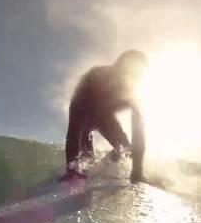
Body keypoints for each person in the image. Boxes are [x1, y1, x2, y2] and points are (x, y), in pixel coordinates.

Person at [59, 50, 148, 183]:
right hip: (84, 113)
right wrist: (72, 169)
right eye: (129, 70)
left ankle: (107, 164)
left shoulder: (131, 92)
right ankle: (81, 170)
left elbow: (138, 129)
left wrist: (137, 171)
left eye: (137, 74)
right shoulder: (95, 76)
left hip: (105, 117)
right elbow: (74, 126)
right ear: (118, 65)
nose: (132, 77)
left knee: (126, 149)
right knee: (86, 161)